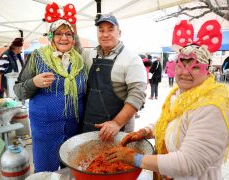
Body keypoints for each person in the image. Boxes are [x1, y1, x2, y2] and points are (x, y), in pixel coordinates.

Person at [105, 20, 229, 180]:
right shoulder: (181, 94)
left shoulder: (212, 107)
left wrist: (135, 159)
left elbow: (189, 162)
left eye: (195, 66)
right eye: (181, 65)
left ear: (208, 72)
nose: (185, 72)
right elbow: (169, 123)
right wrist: (147, 131)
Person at [13, 2, 86, 172]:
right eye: (58, 33)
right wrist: (34, 83)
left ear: (73, 38)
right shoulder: (37, 57)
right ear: (51, 36)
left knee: (70, 170)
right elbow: (18, 91)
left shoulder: (80, 59)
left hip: (73, 129)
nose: (64, 38)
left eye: (68, 34)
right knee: (46, 172)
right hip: (45, 129)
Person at [76, 14, 147, 141]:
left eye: (110, 29)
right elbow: (74, 49)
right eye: (101, 30)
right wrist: (72, 25)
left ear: (119, 33)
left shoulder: (132, 59)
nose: (105, 34)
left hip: (119, 130)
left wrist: (117, 123)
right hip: (89, 126)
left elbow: (137, 95)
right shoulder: (89, 54)